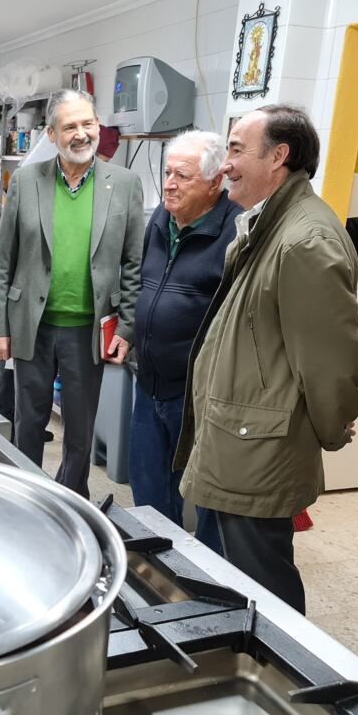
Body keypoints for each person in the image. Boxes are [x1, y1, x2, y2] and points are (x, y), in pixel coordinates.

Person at [174, 104, 358, 613]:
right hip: (240, 432)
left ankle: (285, 680)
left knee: (265, 582)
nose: (225, 164)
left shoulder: (305, 239)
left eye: (236, 149)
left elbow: (331, 360)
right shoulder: (268, 223)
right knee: (237, 571)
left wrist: (331, 427)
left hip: (260, 443)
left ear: (278, 156)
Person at [0, 89, 143, 497]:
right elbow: (4, 261)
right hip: (31, 326)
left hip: (87, 328)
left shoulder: (124, 184)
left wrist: (126, 327)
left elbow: (133, 263)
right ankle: (28, 496)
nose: (81, 134)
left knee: (79, 427)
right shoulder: (26, 180)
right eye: (70, 126)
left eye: (88, 124)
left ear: (98, 127)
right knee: (28, 421)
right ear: (53, 134)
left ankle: (72, 499)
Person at [128, 130, 239, 527]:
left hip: (198, 392)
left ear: (214, 183)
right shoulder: (162, 217)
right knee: (147, 485)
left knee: (207, 497)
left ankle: (209, 582)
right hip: (149, 379)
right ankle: (156, 572)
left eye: (183, 176)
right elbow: (145, 283)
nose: (170, 184)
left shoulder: (236, 231)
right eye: (168, 173)